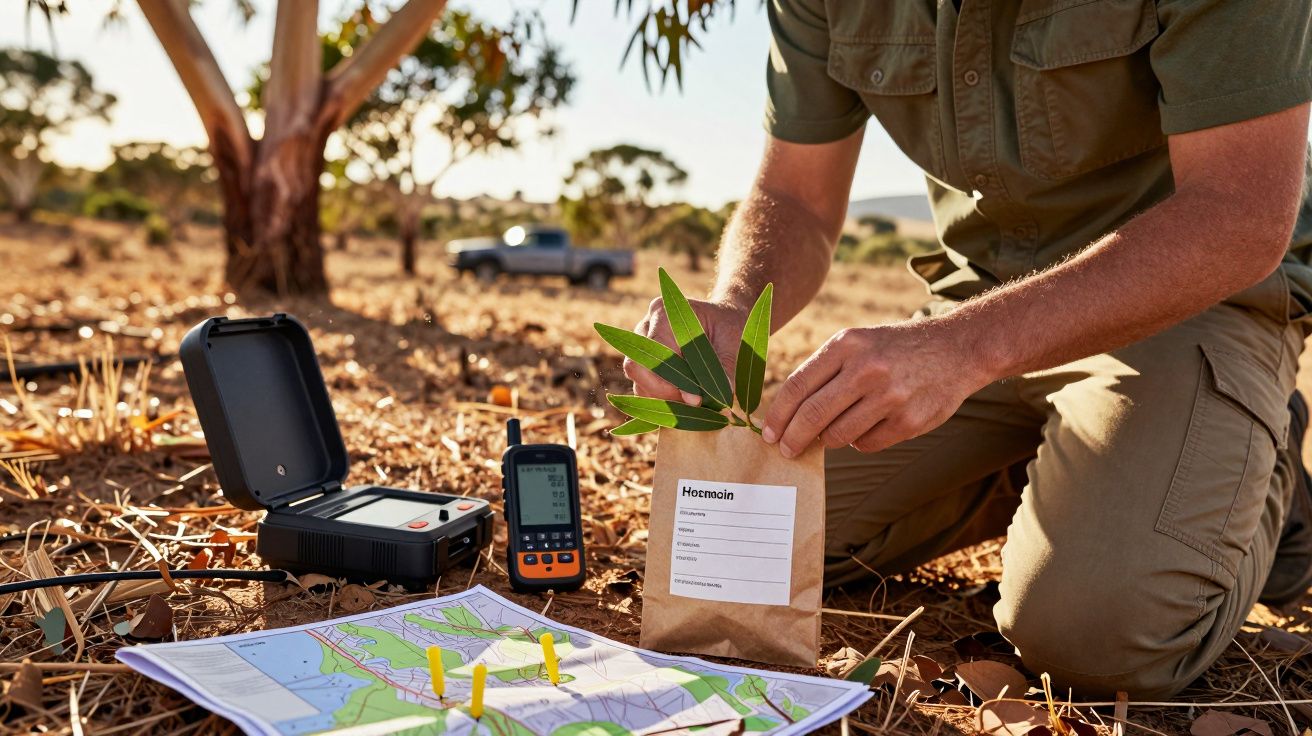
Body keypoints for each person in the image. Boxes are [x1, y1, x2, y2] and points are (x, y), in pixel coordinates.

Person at [625, 0, 1312, 698]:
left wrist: (962, 348)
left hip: (1182, 306)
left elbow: (1238, 214)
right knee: (750, 541)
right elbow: (796, 195)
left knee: (1095, 642)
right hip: (971, 310)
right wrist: (739, 304)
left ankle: (1262, 466)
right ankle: (1074, 469)